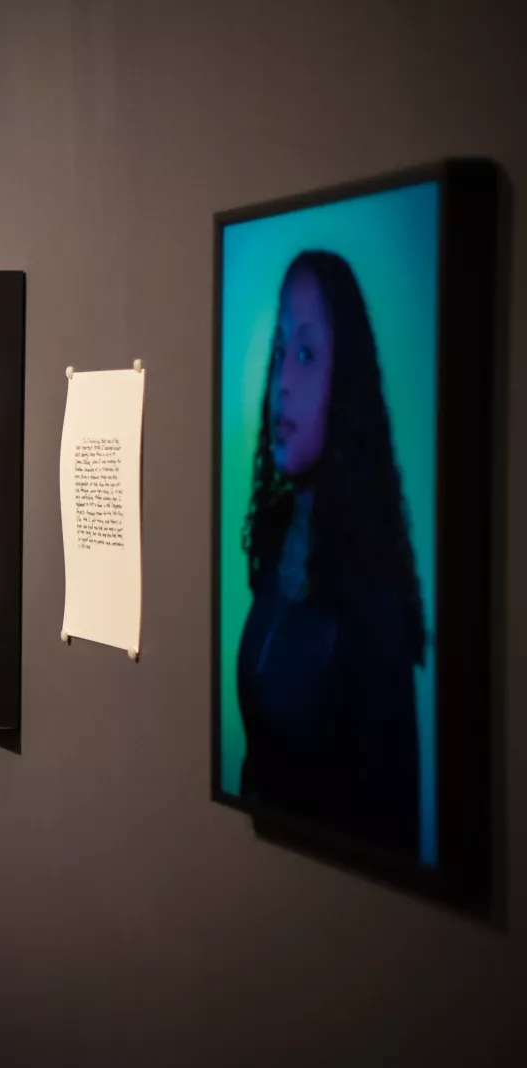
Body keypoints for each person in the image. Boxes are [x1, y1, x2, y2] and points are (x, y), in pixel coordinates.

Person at [237, 250, 425, 856]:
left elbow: (391, 831)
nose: (283, 381)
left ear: (345, 383)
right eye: (280, 352)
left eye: (307, 354)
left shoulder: (370, 594)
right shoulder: (277, 543)